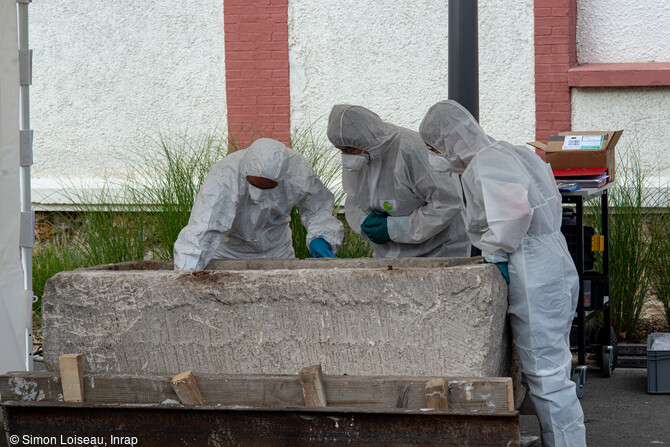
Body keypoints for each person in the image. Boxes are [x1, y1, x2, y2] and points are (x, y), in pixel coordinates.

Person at [419, 100, 585, 447]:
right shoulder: (514, 152)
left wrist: (495, 252)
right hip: (551, 256)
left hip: (530, 266)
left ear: (450, 138)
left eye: (435, 148)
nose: (435, 156)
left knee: (547, 374)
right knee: (554, 369)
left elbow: (514, 216)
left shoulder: (487, 162)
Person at [174, 138, 344, 270]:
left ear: (282, 176)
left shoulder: (298, 172)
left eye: (268, 186)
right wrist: (185, 276)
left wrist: (321, 235)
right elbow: (202, 230)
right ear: (245, 171)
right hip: (229, 253)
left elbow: (317, 208)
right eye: (254, 183)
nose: (259, 193)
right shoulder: (224, 175)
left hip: (278, 251)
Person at [326, 104, 470, 258]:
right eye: (340, 150)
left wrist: (396, 228)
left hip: (439, 251)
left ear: (364, 140)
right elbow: (353, 196)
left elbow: (447, 203)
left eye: (348, 150)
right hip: (389, 254)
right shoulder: (359, 157)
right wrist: (363, 220)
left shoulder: (413, 150)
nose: (346, 156)